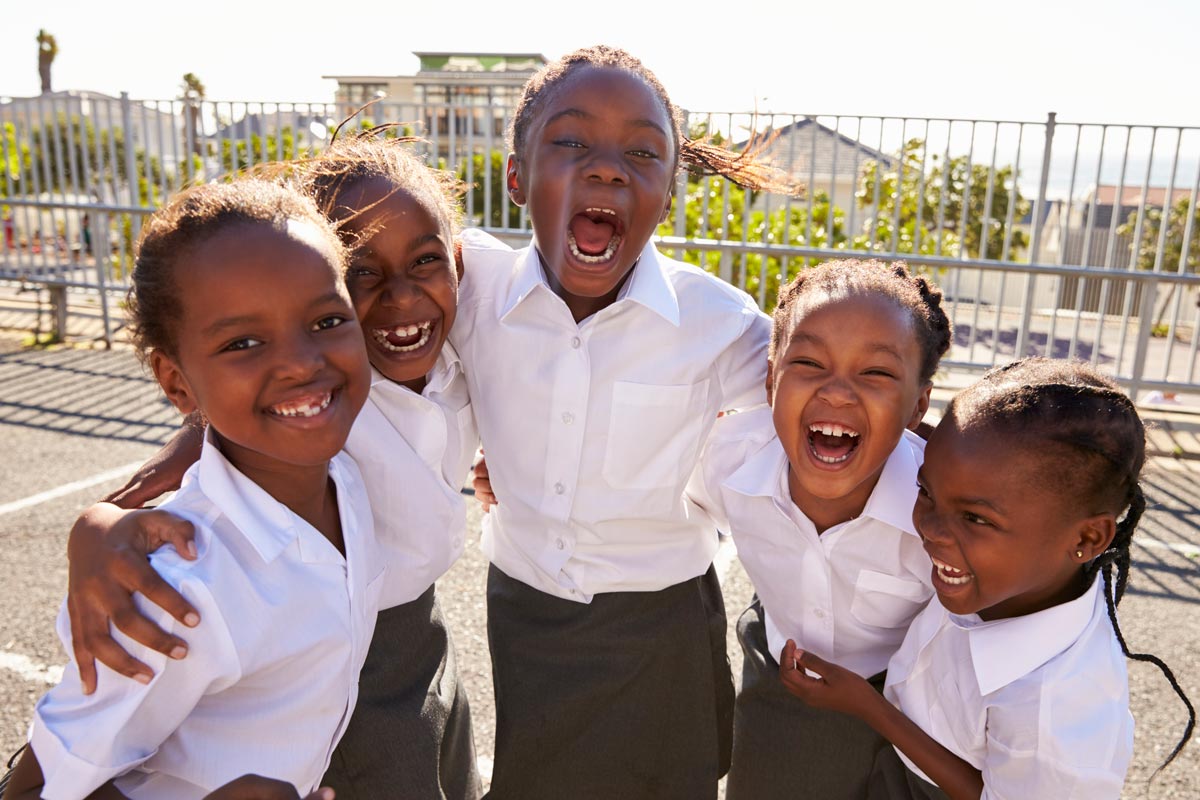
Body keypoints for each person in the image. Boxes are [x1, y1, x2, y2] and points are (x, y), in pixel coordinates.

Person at [60, 134, 484, 800]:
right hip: (347, 680)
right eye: (364, 274)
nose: (400, 296)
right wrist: (96, 525)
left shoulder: (345, 458)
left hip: (418, 648)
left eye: (322, 322)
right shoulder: (189, 587)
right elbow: (48, 775)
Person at [454, 45, 795, 799]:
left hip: (661, 625)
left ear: (668, 195)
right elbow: (333, 320)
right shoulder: (467, 290)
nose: (606, 168)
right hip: (526, 610)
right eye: (572, 142)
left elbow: (824, 396)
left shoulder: (720, 323)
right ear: (516, 177)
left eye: (642, 153)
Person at [3, 179, 377, 799]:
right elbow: (36, 790)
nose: (301, 362)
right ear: (177, 384)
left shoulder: (347, 480)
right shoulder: (177, 592)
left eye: (327, 320)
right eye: (243, 343)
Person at [778, 357, 1197, 799]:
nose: (933, 530)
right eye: (926, 492)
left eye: (976, 518)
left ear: (1089, 537)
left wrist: (869, 707)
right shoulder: (1023, 570)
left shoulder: (1056, 710)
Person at [686, 259, 951, 798]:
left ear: (917, 405)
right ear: (769, 379)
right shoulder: (727, 460)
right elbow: (646, 497)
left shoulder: (944, 512)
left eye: (876, 373)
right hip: (782, 685)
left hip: (916, 710)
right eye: (808, 362)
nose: (838, 393)